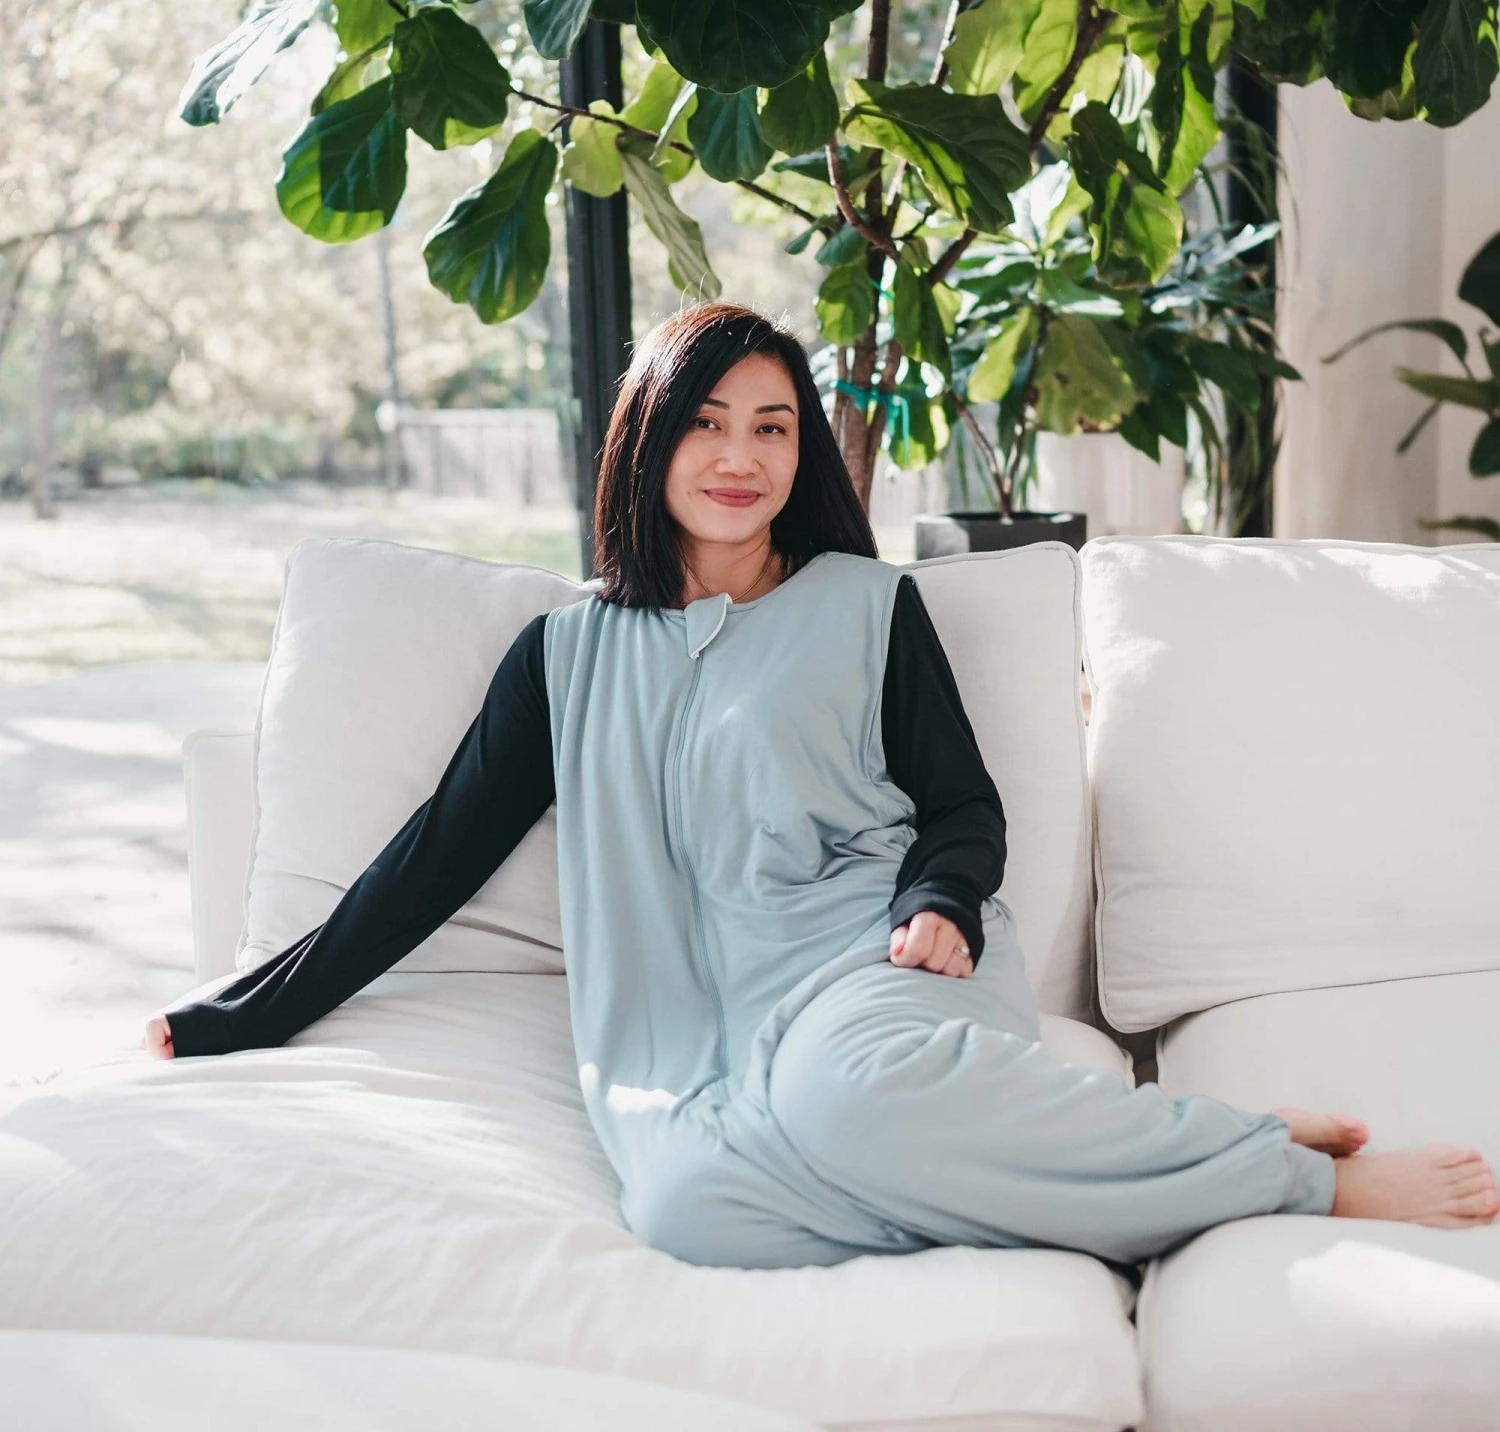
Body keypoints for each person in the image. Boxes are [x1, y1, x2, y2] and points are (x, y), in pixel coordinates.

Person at [143, 302, 1498, 1269]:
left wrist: (942, 902)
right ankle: (1091, 1159)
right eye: (707, 424)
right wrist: (237, 1015)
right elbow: (429, 860)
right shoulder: (565, 656)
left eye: (773, 427)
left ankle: (1277, 1172)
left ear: (802, 453)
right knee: (689, 1213)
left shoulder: (863, 604)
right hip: (689, 1032)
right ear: (648, 439)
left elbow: (961, 804)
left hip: (877, 961)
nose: (741, 458)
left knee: (849, 1098)